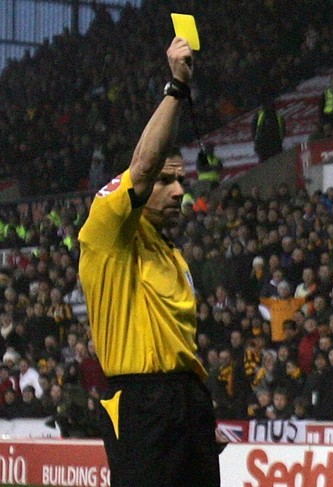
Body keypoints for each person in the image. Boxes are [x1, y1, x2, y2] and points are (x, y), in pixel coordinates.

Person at [78, 38, 220, 486]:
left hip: (189, 399)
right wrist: (177, 86)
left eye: (181, 180)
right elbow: (141, 166)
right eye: (166, 181)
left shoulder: (171, 252)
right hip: (142, 402)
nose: (179, 191)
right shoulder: (108, 231)